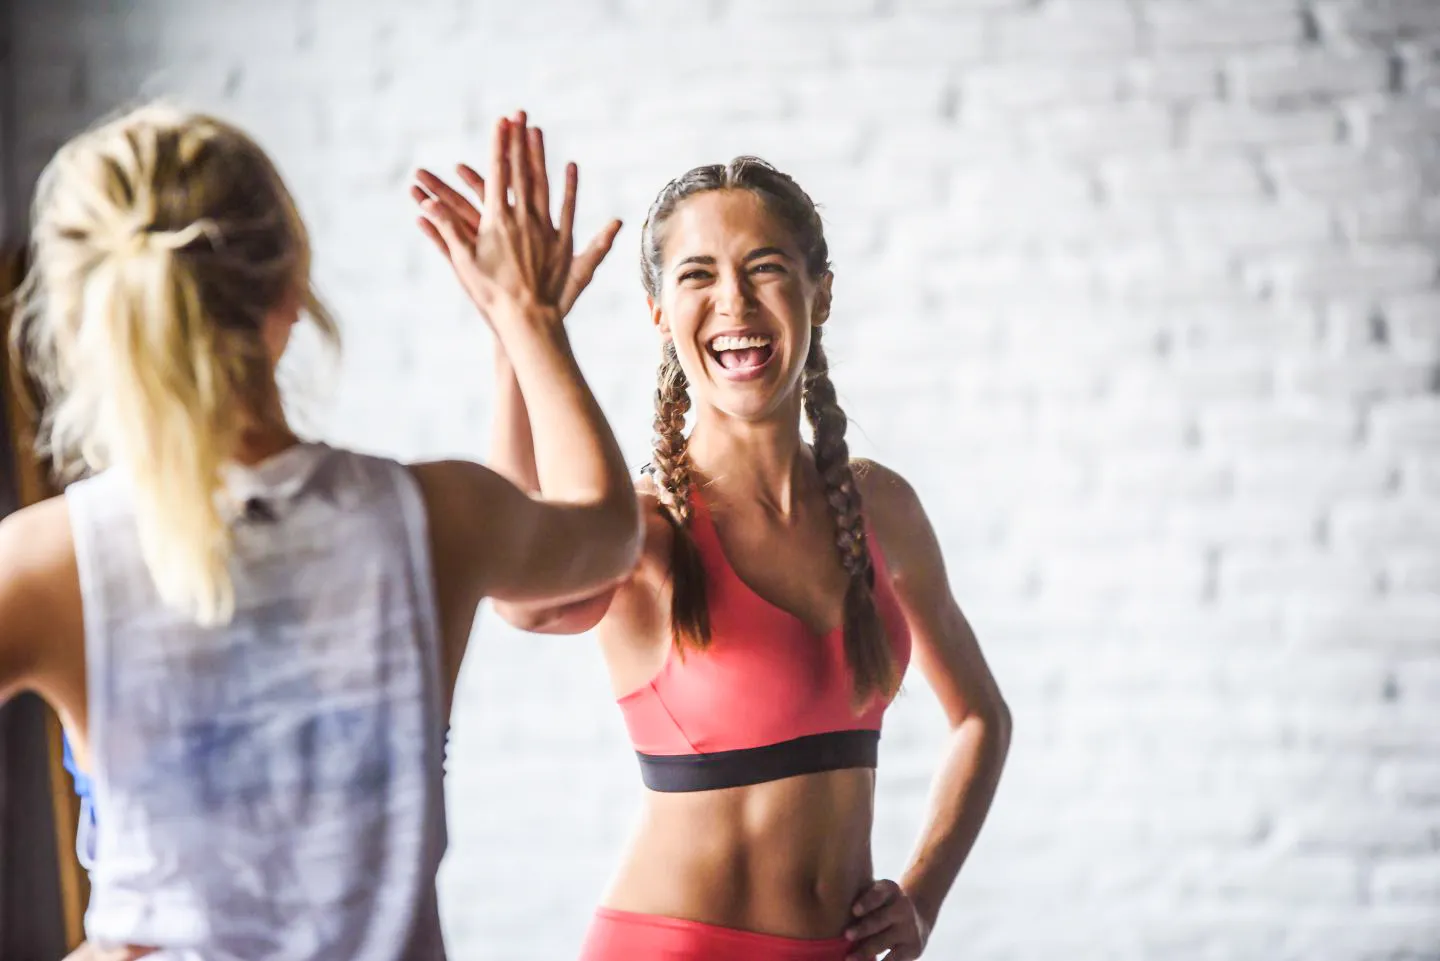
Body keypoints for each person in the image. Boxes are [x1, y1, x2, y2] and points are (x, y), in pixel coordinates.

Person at [0, 104, 640, 960]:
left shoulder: (48, 562)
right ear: (291, 289)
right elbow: (606, 526)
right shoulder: (435, 516)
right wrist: (528, 322)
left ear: (83, 322)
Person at [413, 117, 1013, 961]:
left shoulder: (882, 507)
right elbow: (525, 598)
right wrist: (521, 332)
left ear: (822, 293)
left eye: (765, 268)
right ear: (661, 314)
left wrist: (922, 896)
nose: (733, 301)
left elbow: (981, 718)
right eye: (699, 275)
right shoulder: (647, 529)